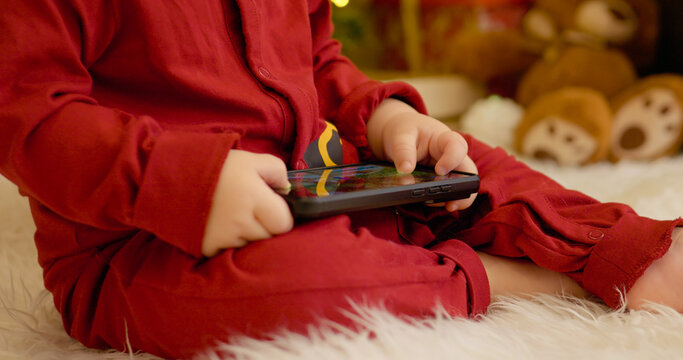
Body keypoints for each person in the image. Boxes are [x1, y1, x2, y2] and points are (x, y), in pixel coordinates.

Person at [0, 1, 681, 359]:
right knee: (294, 287)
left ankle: (628, 249)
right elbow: (27, 113)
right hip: (140, 242)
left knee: (466, 164)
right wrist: (186, 183)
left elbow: (319, 59)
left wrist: (380, 116)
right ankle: (532, 279)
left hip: (323, 174)